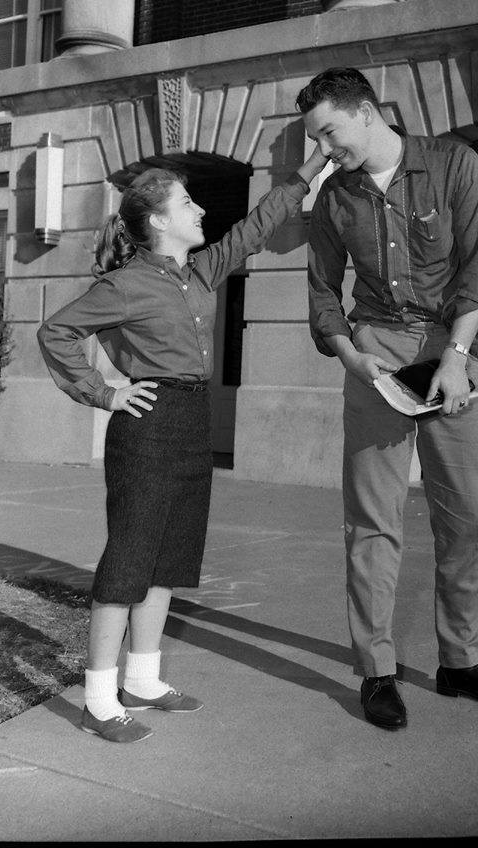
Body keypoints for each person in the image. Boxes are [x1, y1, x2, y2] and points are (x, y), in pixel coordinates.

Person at [37, 149, 328, 743]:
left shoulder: (198, 273)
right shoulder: (124, 284)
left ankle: (141, 681)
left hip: (193, 421)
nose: (200, 211)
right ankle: (97, 697)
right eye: (188, 204)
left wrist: (306, 173)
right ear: (159, 221)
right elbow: (56, 330)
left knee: (169, 556)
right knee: (129, 558)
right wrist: (104, 393)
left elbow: (254, 229)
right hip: (148, 425)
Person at [297, 67, 478, 731]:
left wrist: (457, 359)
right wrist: (347, 352)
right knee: (372, 523)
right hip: (376, 360)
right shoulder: (331, 199)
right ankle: (376, 671)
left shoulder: (454, 164)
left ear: (366, 111)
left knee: (466, 520)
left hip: (451, 354)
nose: (323, 150)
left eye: (328, 133)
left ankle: (462, 662)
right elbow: (321, 291)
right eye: (315, 139)